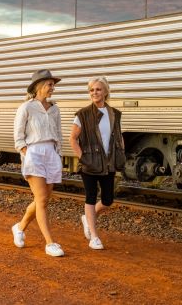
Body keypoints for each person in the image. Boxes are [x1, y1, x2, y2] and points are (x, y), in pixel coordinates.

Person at [11, 69, 64, 257]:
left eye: (53, 85)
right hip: (34, 153)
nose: (53, 88)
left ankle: (19, 227)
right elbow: (18, 137)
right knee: (41, 200)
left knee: (43, 199)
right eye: (50, 84)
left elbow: (58, 134)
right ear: (39, 86)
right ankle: (50, 243)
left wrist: (59, 155)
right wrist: (28, 154)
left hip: (51, 153)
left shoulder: (55, 108)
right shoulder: (26, 107)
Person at [69, 76, 126, 250]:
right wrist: (82, 158)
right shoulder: (83, 114)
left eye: (98, 89)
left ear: (106, 91)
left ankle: (88, 218)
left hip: (108, 163)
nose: (95, 93)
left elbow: (118, 135)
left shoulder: (114, 114)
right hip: (90, 163)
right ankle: (94, 236)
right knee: (91, 197)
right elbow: (72, 139)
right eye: (92, 90)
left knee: (108, 200)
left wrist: (121, 152)